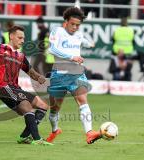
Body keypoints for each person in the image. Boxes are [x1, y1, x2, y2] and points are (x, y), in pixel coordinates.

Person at [45, 7, 101, 144]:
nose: (75, 27)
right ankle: (55, 129)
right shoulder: (57, 31)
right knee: (55, 109)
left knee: (83, 100)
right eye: (73, 24)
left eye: (78, 25)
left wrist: (90, 44)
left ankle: (89, 133)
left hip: (76, 72)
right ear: (66, 22)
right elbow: (51, 49)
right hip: (59, 74)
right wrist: (72, 57)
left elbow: (84, 42)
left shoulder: (79, 35)